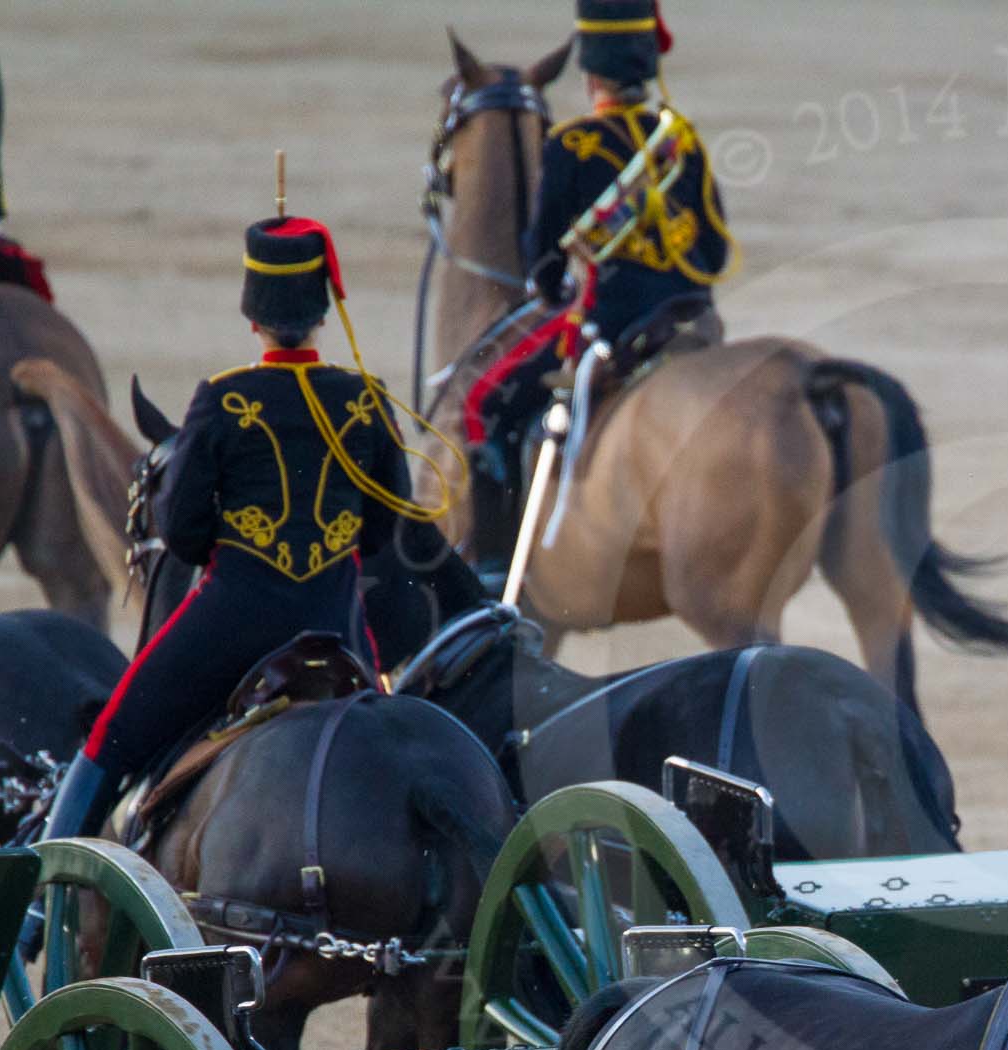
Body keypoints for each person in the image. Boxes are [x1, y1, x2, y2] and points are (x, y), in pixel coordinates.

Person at [38, 213, 458, 840]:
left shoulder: (224, 399)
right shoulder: (365, 399)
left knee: (111, 735)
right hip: (338, 627)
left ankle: (39, 900)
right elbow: (383, 526)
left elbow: (181, 533)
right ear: (320, 314)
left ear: (253, 318)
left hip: (230, 625)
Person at [462, 0, 733, 567]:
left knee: (486, 405)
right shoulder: (681, 145)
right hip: (692, 320)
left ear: (590, 77)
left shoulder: (572, 144)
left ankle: (491, 566)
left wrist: (558, 288)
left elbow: (543, 267)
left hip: (613, 327)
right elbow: (715, 250)